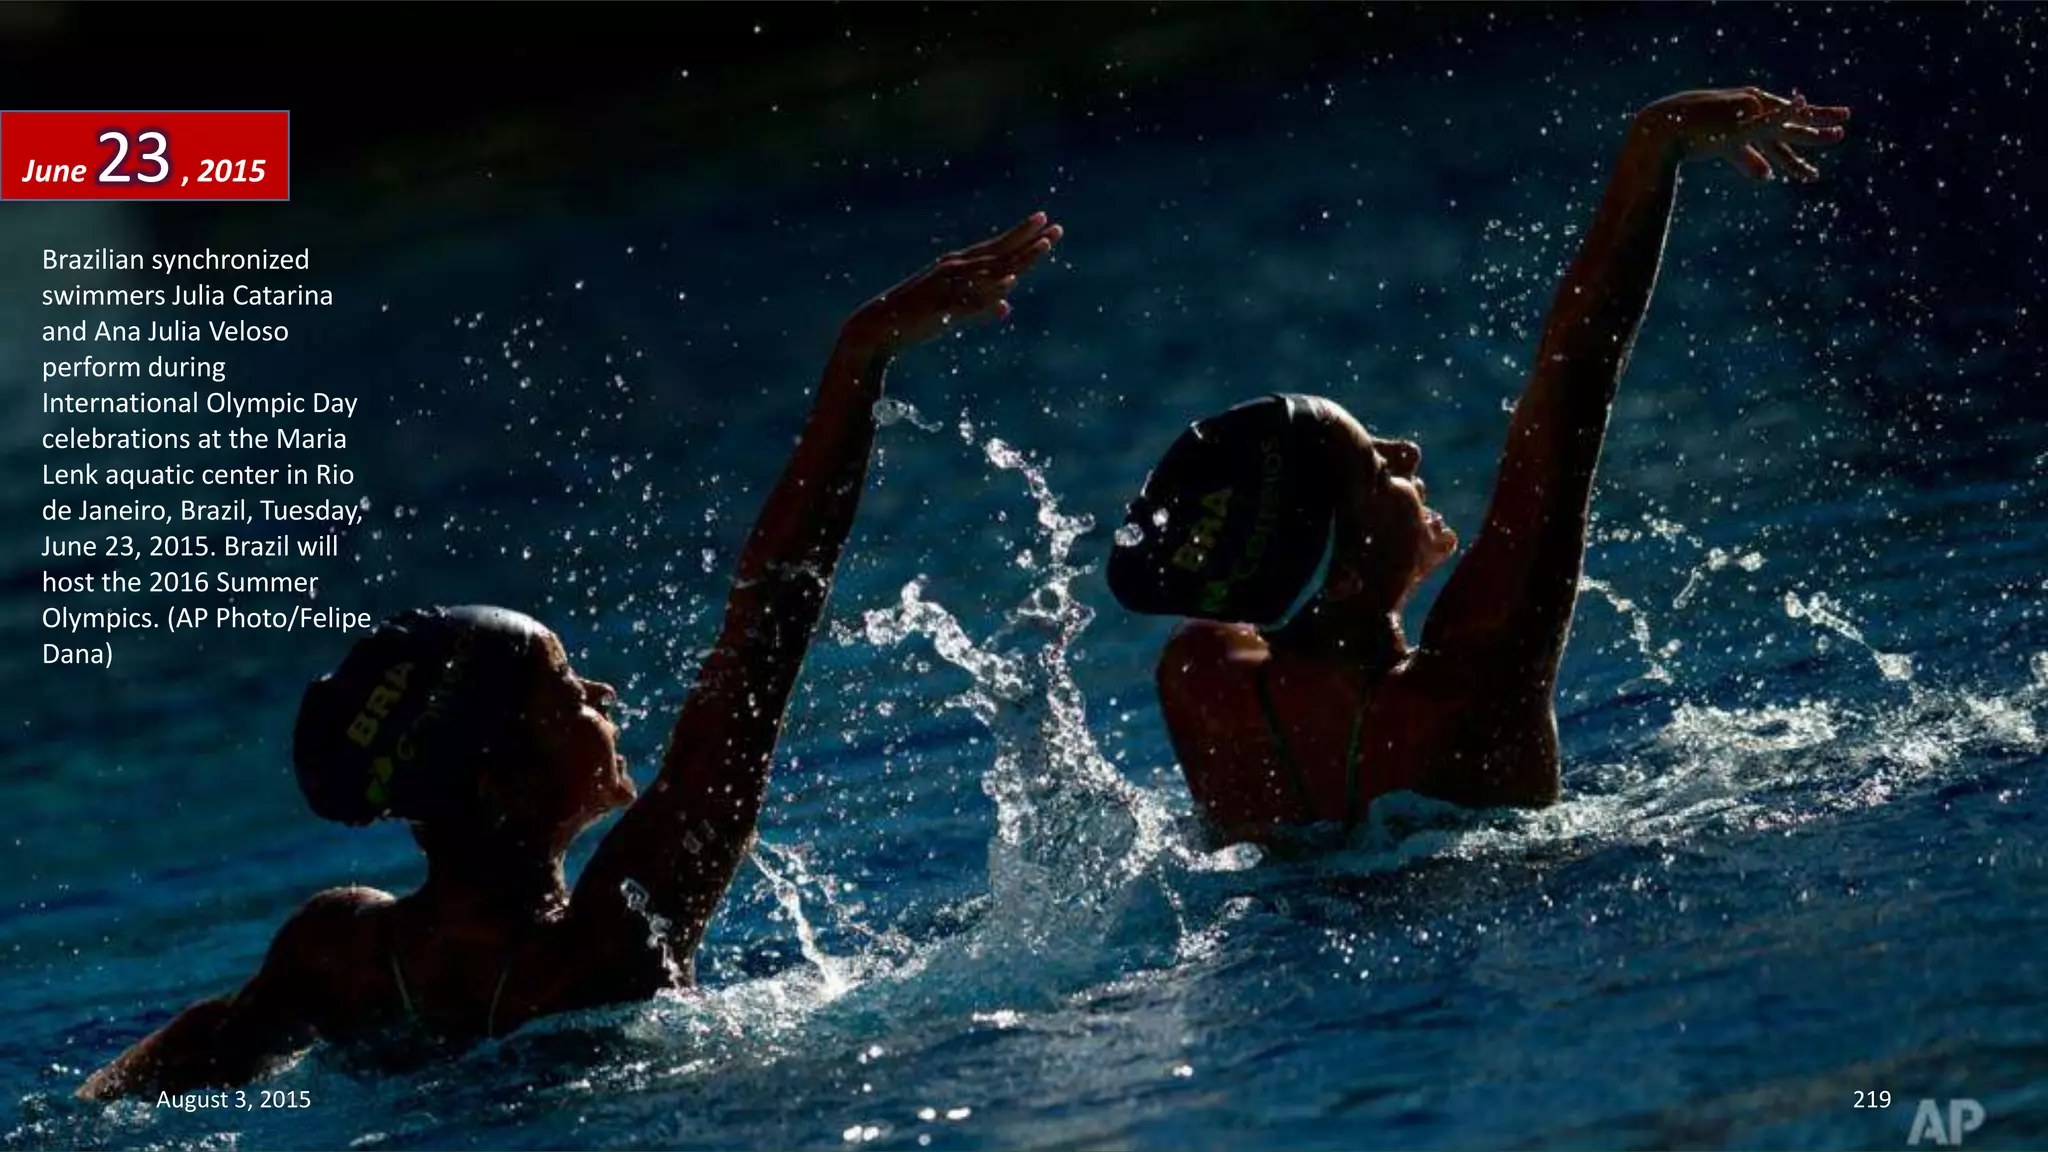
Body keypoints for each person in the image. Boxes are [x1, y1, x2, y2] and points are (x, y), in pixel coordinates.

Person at [79, 212, 1062, 1099]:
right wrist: (859, 359)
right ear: (505, 773)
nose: (601, 691)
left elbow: (192, 1058)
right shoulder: (608, 941)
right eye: (563, 691)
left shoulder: (336, 953)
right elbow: (769, 630)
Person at [1112, 87, 1848, 847]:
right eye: (1375, 470)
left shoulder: (1204, 684)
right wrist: (1652, 148)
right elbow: (1576, 380)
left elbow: (1238, 572)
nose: (1408, 454)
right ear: (1347, 574)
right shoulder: (1467, 685)